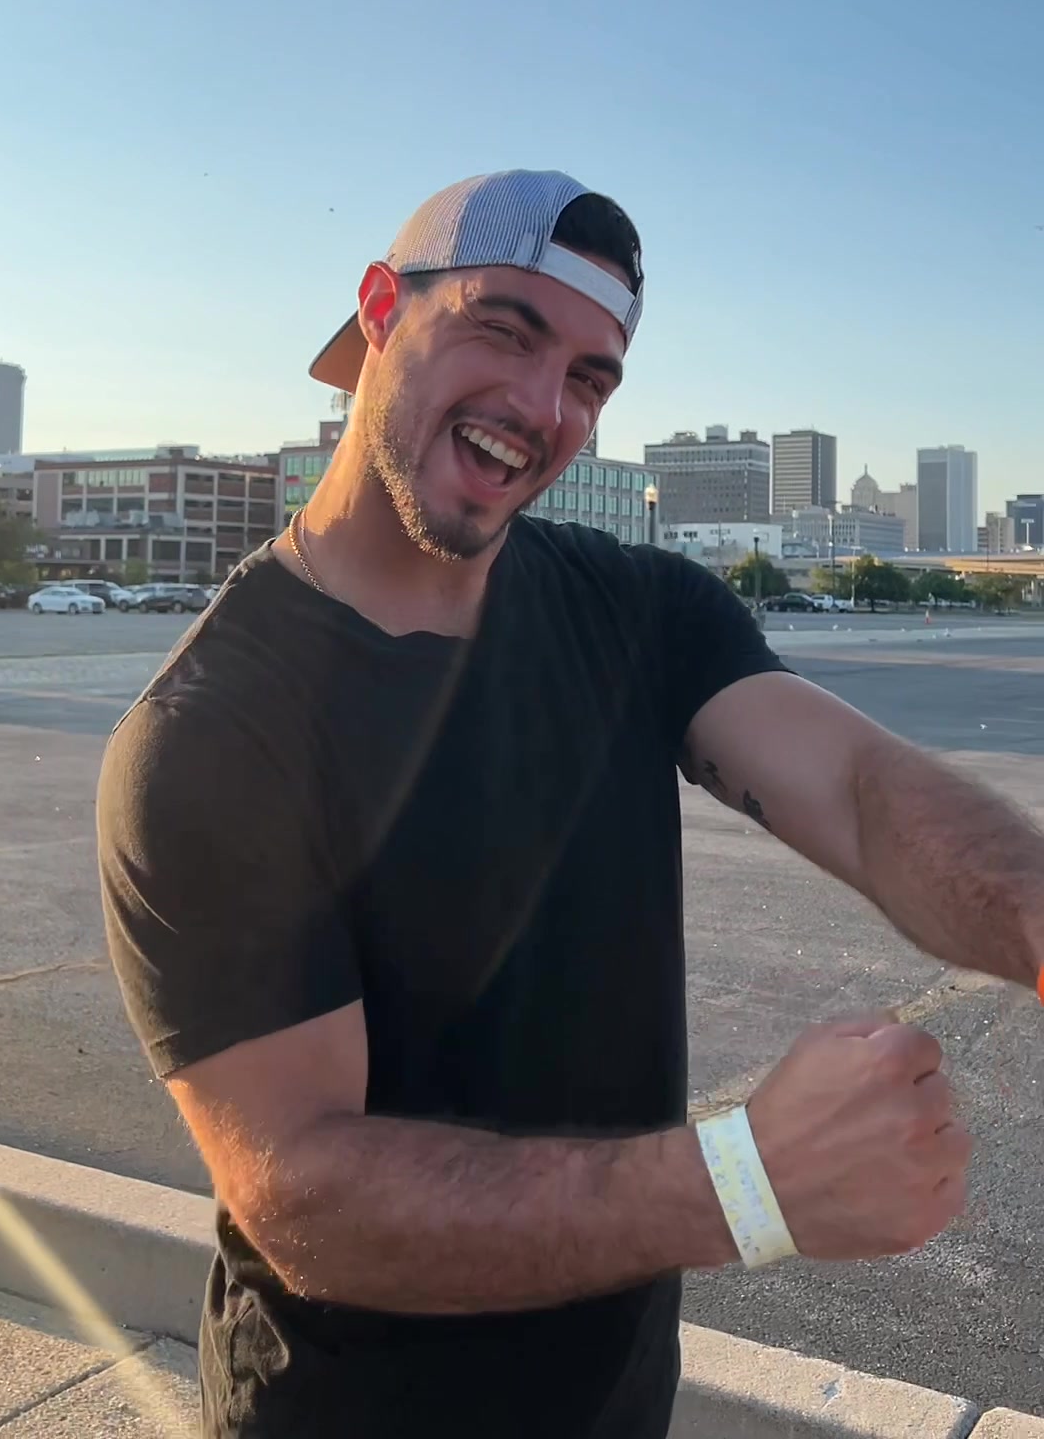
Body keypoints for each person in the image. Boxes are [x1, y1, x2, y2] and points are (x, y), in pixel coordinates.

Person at [98, 168, 1043, 1439]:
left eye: (592, 378)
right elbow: (305, 1192)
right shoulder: (213, 732)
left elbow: (863, 791)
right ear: (379, 309)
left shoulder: (633, 609)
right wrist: (741, 1186)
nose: (543, 409)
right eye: (504, 328)